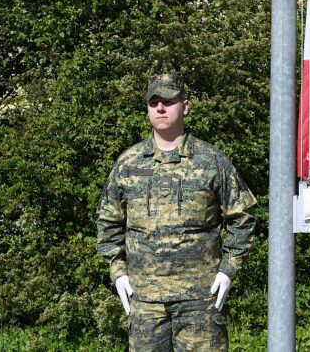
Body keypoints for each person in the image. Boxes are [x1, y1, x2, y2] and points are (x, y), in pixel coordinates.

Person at [97, 74, 257, 351]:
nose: (160, 108)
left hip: (200, 300)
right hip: (145, 298)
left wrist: (229, 270)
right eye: (154, 102)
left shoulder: (211, 161)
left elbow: (242, 218)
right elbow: (108, 222)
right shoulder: (128, 163)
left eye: (168, 101)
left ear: (185, 106)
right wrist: (118, 271)